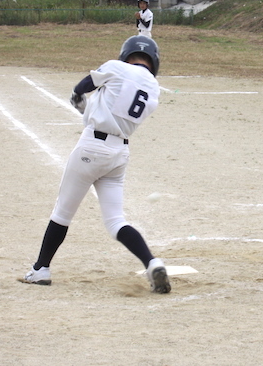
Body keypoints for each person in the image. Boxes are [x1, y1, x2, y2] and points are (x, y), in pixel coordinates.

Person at [21, 35, 171, 294]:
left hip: (92, 146)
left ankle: (40, 269)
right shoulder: (154, 88)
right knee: (115, 220)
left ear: (127, 53)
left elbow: (81, 87)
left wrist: (80, 103)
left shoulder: (116, 66)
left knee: (62, 213)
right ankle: (152, 262)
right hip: (119, 153)